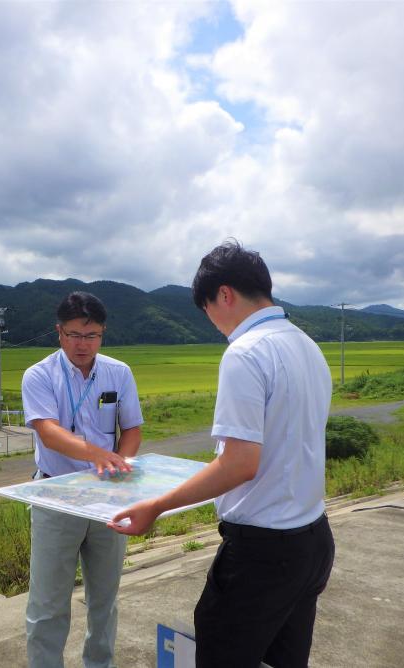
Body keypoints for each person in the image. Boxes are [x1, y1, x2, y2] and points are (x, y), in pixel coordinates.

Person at [110, 241, 335, 668]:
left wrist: (157, 505)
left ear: (225, 294)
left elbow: (239, 464)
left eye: (208, 309)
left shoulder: (245, 352)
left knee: (220, 654)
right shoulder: (307, 345)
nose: (213, 322)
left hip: (263, 553)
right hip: (313, 538)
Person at [22, 291, 144, 668]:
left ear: (102, 334)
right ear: (59, 333)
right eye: (75, 334)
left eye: (91, 336)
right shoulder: (40, 375)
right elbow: (48, 431)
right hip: (57, 494)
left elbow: (133, 428)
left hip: (108, 497)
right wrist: (97, 456)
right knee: (47, 604)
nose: (83, 344)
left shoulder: (118, 373)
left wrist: (121, 465)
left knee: (105, 600)